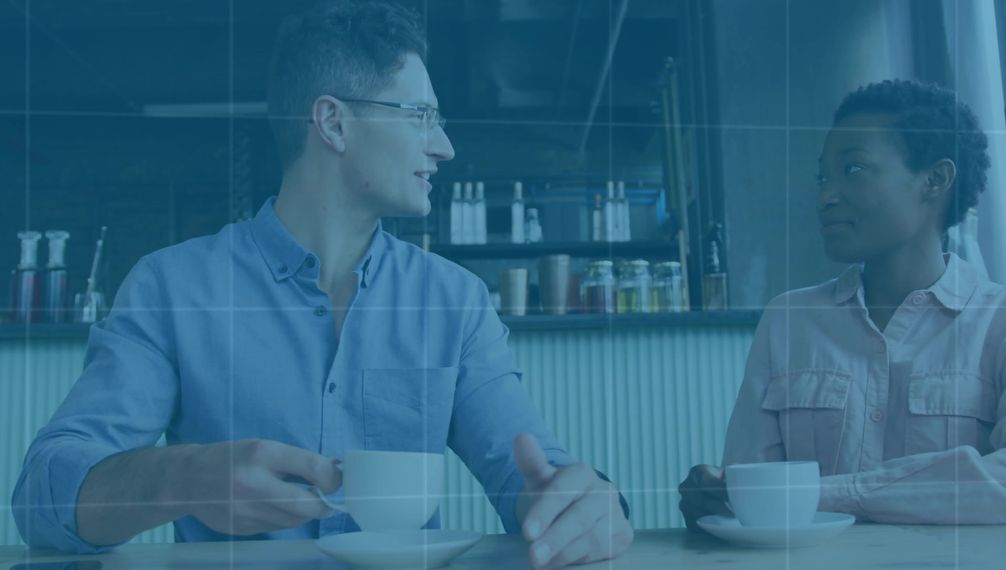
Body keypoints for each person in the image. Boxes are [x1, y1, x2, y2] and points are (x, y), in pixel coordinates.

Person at [12, 2, 633, 568]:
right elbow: (43, 502)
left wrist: (581, 507)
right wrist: (183, 476)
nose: (444, 146)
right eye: (421, 115)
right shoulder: (172, 288)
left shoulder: (455, 302)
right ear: (333, 123)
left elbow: (532, 474)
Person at [679, 79, 1006, 527]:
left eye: (852, 170)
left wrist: (834, 494)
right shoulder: (789, 319)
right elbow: (750, 493)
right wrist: (719, 499)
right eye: (822, 177)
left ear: (935, 180)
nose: (825, 195)